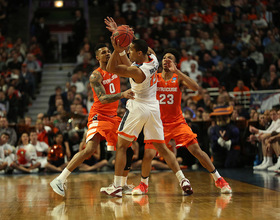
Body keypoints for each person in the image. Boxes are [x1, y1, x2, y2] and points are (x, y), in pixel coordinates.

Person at [100, 20, 193, 197]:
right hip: (153, 108)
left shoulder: (138, 72)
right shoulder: (154, 60)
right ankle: (182, 179)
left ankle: (117, 186)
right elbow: (139, 50)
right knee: (163, 148)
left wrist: (117, 48)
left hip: (138, 107)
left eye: (131, 50)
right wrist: (121, 36)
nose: (128, 51)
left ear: (139, 53)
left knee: (121, 146)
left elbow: (112, 67)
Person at [131, 49, 231, 195]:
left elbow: (196, 88)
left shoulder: (178, 78)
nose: (166, 60)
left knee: (197, 150)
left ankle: (219, 180)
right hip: (158, 123)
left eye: (169, 58)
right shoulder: (154, 77)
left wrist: (177, 71)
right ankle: (143, 185)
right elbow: (146, 57)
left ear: (175, 63)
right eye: (164, 58)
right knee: (148, 155)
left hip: (177, 122)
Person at [50, 43, 134, 197]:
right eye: (103, 52)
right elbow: (102, 98)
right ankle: (60, 179)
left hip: (113, 117)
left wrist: (118, 39)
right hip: (99, 115)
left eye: (109, 51)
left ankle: (122, 185)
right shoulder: (96, 75)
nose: (107, 54)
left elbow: (125, 57)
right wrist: (122, 94)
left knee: (127, 150)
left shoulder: (115, 67)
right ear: (97, 57)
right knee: (89, 149)